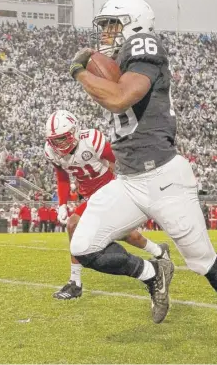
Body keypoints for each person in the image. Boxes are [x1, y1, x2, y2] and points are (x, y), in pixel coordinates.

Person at [68, 0, 217, 359]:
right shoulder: (123, 58)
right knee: (84, 246)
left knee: (203, 261)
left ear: (134, 23)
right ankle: (152, 274)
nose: (107, 31)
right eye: (104, 24)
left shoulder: (145, 44)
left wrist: (79, 71)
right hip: (128, 180)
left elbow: (120, 98)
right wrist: (94, 67)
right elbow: (117, 90)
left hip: (164, 178)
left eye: (113, 23)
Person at [44, 110, 170, 301]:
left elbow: (116, 161)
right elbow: (62, 177)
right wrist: (62, 204)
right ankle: (158, 251)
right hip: (89, 197)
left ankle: (157, 251)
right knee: (92, 228)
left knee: (108, 230)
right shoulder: (51, 151)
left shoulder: (92, 139)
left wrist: (119, 188)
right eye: (55, 140)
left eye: (63, 138)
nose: (59, 144)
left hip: (109, 190)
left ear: (75, 130)